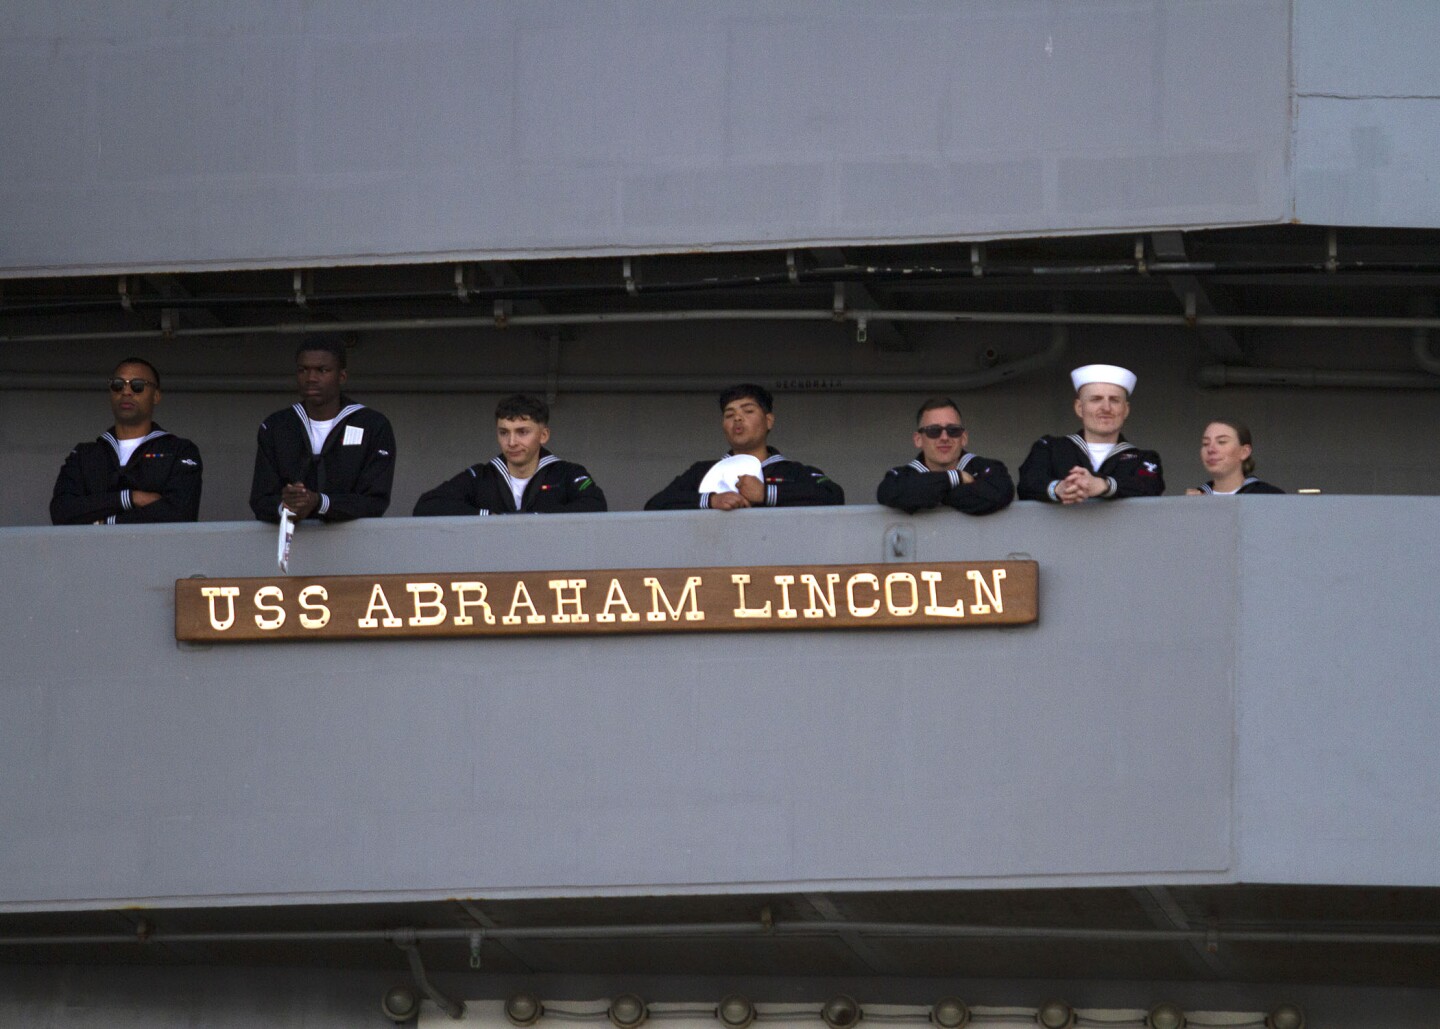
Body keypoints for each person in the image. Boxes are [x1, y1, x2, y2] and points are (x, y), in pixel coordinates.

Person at [249, 340, 396, 523]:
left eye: (322, 370)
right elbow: (261, 500)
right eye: (303, 370)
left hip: (353, 543)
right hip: (292, 544)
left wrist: (320, 503)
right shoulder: (276, 426)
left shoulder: (372, 425)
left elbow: (375, 502)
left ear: (342, 376)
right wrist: (287, 506)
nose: (311, 378)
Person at [50, 358, 203, 525]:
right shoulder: (84, 454)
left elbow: (180, 514)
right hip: (94, 551)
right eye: (118, 384)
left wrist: (106, 522)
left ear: (156, 396)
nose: (126, 392)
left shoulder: (179, 450)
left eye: (137, 385)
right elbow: (61, 511)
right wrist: (131, 498)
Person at [644, 383, 844, 510]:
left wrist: (767, 494)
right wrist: (711, 501)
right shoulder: (702, 472)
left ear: (768, 421)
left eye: (748, 411)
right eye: (729, 415)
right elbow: (655, 505)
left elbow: (834, 496)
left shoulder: (795, 472)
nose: (737, 418)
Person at [413, 394, 607, 515]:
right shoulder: (481, 476)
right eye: (504, 432)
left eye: (522, 432)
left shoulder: (567, 473)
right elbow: (427, 505)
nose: (512, 442)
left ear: (544, 435)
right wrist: (488, 517)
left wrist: (537, 519)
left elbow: (596, 505)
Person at [1017, 363, 1164, 503]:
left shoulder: (1143, 458)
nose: (1106, 408)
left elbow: (1151, 486)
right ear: (1079, 407)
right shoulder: (1050, 448)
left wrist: (1103, 486)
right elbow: (1027, 483)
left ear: (1125, 410)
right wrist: (1059, 488)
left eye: (1114, 400)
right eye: (1096, 399)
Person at [876, 397, 1013, 515]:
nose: (944, 437)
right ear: (918, 440)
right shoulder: (901, 477)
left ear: (963, 437)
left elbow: (999, 494)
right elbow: (891, 493)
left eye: (953, 430)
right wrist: (956, 477)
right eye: (934, 431)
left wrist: (932, 494)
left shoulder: (988, 467)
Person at [1186, 419, 1284, 495]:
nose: (1210, 449)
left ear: (1244, 452)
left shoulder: (1270, 497)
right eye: (1205, 443)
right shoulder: (1194, 499)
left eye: (1222, 442)